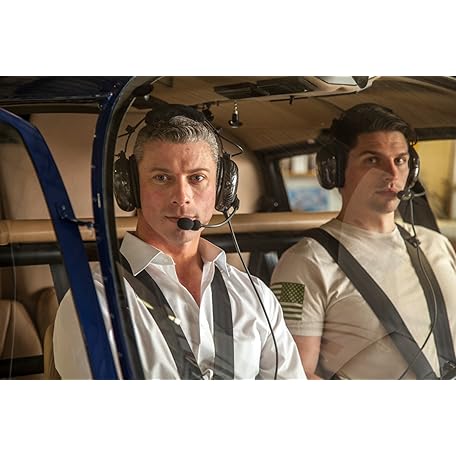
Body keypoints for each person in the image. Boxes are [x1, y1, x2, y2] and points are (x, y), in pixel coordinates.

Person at [53, 104, 305, 380]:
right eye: (162, 178)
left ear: (222, 189)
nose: (182, 197)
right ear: (131, 188)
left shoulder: (255, 296)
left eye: (197, 178)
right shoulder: (93, 302)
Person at [270, 103, 456, 380]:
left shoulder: (435, 244)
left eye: (400, 160)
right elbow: (294, 376)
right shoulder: (303, 263)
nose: (392, 174)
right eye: (372, 160)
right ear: (335, 170)